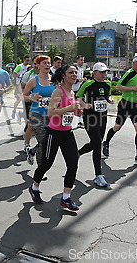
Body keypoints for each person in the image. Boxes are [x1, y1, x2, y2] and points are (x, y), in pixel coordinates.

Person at [28, 64, 83, 211]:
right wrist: (69, 108)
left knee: (73, 164)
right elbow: (51, 113)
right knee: (46, 164)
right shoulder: (58, 92)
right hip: (54, 133)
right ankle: (34, 187)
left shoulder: (71, 93)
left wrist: (77, 112)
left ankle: (66, 198)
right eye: (71, 72)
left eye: (76, 72)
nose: (74, 74)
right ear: (63, 75)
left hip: (67, 133)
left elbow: (68, 113)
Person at [102, 54, 137, 163]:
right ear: (134, 63)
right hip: (125, 104)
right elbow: (118, 87)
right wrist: (133, 88)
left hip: (136, 106)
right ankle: (106, 142)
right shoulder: (130, 73)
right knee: (117, 127)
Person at [76, 62, 114, 187]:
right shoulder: (88, 84)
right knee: (97, 144)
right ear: (94, 73)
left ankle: (77, 153)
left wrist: (110, 99)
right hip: (90, 117)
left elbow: (107, 96)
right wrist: (84, 105)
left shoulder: (108, 83)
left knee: (95, 143)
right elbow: (78, 97)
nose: (104, 74)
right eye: (101, 72)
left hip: (102, 117)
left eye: (105, 72)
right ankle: (98, 175)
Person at [23, 55, 55, 166]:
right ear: (38, 65)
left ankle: (32, 151)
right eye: (44, 63)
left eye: (49, 63)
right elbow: (23, 96)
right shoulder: (33, 81)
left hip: (51, 115)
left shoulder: (55, 81)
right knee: (43, 141)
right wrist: (32, 98)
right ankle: (41, 169)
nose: (47, 65)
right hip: (36, 114)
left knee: (48, 142)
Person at [20, 56, 38, 154]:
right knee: (31, 124)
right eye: (34, 63)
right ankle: (27, 144)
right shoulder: (28, 75)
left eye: (38, 63)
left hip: (45, 104)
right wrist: (29, 97)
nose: (36, 66)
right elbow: (22, 88)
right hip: (30, 102)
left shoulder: (49, 75)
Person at [11, 55, 31, 120]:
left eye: (29, 61)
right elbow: (14, 74)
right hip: (19, 85)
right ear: (24, 60)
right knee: (19, 99)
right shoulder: (20, 66)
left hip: (26, 86)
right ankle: (14, 110)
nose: (28, 62)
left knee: (25, 101)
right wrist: (20, 75)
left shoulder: (29, 67)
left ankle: (23, 113)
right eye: (27, 60)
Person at [73, 55, 87, 126]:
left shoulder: (82, 69)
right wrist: (79, 80)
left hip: (79, 90)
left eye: (83, 60)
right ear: (77, 60)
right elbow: (71, 79)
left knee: (82, 105)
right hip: (72, 90)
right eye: (81, 60)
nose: (82, 62)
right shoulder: (74, 69)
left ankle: (80, 121)